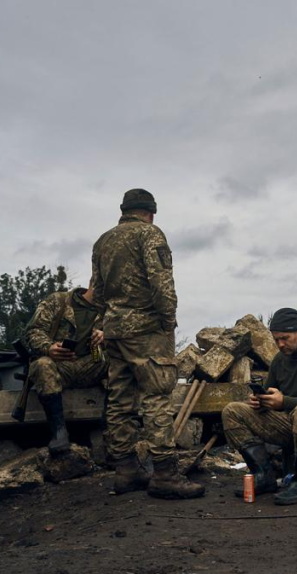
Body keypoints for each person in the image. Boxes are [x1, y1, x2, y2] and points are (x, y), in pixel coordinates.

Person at [91, 188, 204, 499]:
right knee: (157, 397)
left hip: (114, 330)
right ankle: (166, 474)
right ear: (150, 212)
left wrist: (106, 322)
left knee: (120, 401)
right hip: (147, 330)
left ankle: (126, 470)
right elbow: (162, 283)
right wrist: (168, 321)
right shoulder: (150, 234)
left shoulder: (103, 241)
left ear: (123, 210)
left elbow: (97, 292)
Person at [220, 308, 297, 505]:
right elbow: (271, 395)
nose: (280, 344)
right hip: (290, 424)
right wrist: (260, 402)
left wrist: (284, 401)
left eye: (285, 338)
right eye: (276, 339)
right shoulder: (279, 359)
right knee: (233, 410)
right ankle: (264, 476)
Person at [25, 284, 107, 457]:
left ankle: (109, 428)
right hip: (60, 367)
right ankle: (59, 431)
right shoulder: (58, 301)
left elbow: (127, 338)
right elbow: (33, 331)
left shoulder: (111, 311)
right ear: (94, 283)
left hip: (91, 366)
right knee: (42, 365)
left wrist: (106, 336)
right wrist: (49, 348)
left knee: (120, 363)